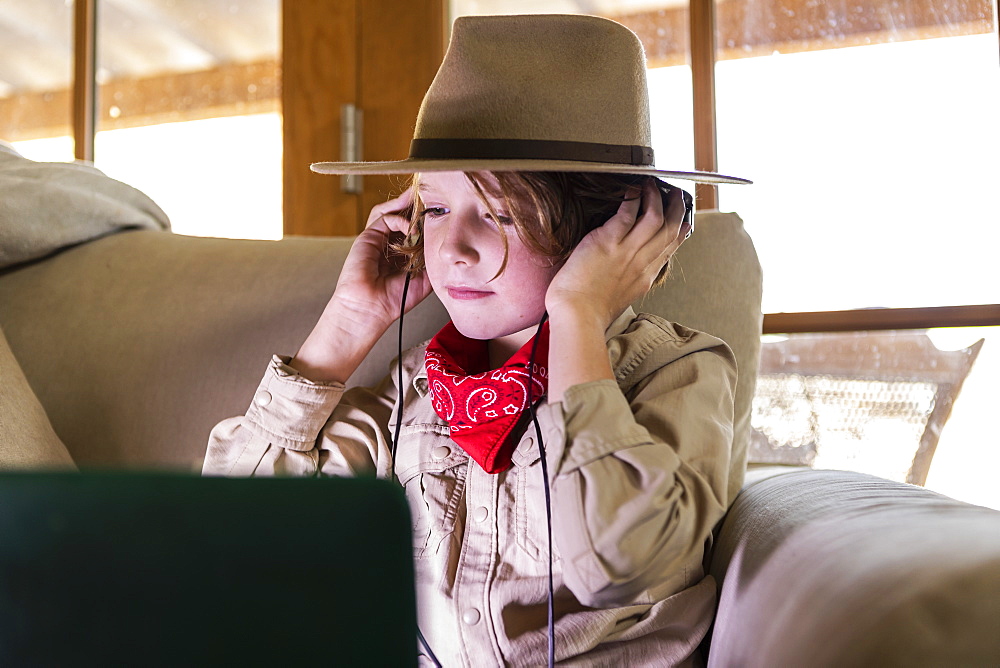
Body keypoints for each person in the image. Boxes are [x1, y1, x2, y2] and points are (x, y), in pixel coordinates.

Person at [204, 13, 749, 666]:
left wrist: (576, 310)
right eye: (434, 209)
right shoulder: (418, 392)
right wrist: (351, 320)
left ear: (610, 230)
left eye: (500, 213)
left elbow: (620, 562)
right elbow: (237, 531)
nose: (453, 248)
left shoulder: (679, 373)